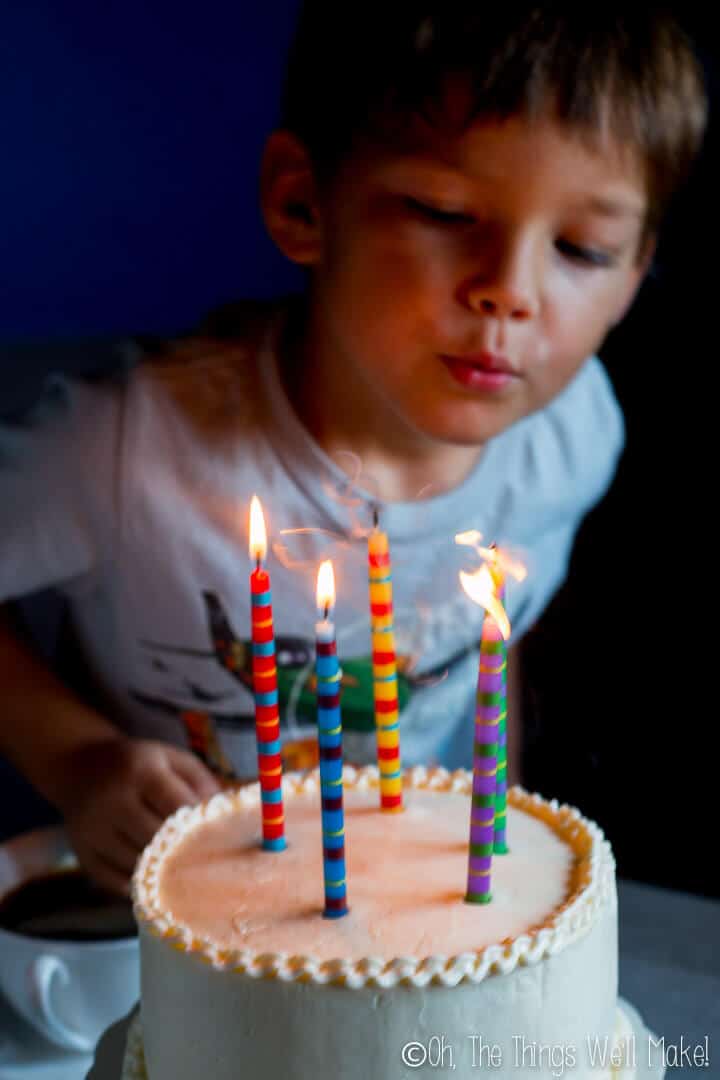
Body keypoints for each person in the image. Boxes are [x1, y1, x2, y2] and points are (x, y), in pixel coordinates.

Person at [0, 5, 707, 895]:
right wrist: (79, 758)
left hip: (403, 906)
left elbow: (496, 626)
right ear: (304, 202)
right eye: (446, 211)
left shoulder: (574, 439)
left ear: (636, 273)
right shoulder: (117, 453)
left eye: (582, 248)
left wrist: (507, 813)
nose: (510, 292)